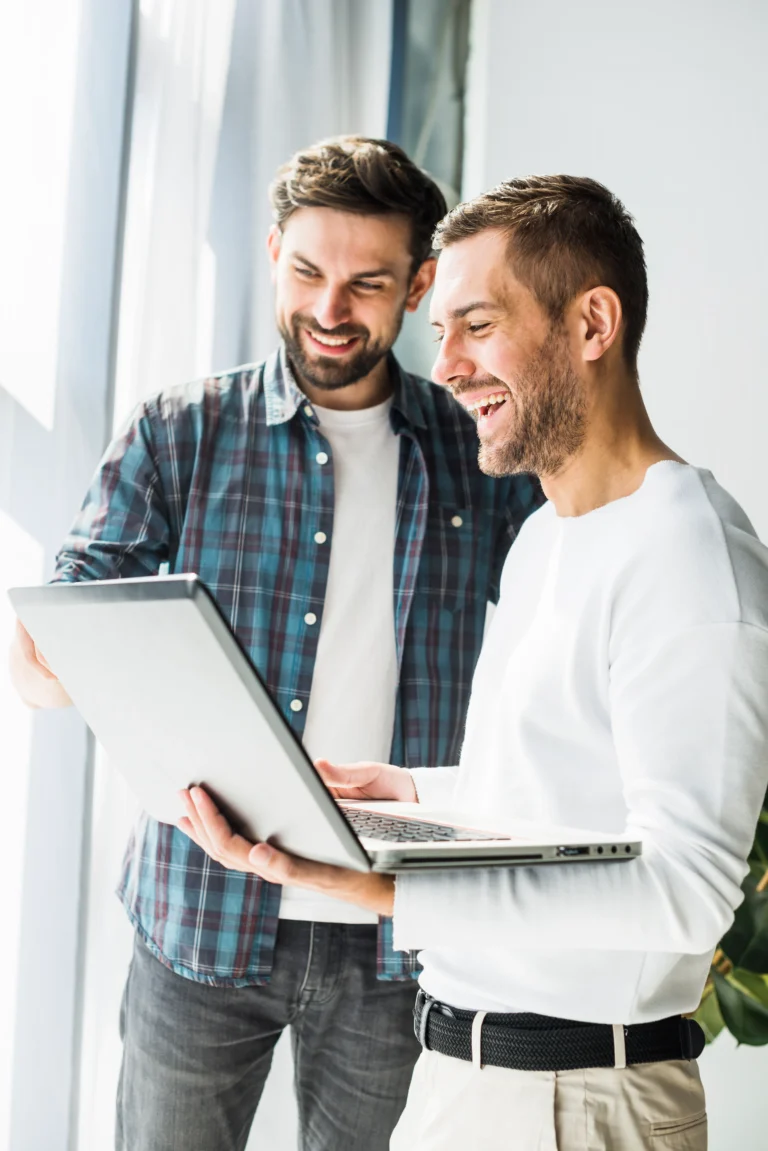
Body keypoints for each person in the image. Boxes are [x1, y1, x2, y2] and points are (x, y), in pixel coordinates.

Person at [177, 174, 768, 1150]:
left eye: (477, 325)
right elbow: (566, 791)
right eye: (439, 328)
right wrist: (409, 789)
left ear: (592, 323)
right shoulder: (546, 536)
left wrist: (389, 888)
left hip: (579, 1103)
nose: (442, 365)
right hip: (464, 1080)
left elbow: (686, 889)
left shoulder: (691, 554)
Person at [8, 137, 542, 1151]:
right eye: (306, 272)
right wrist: (54, 658)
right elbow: (52, 638)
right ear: (270, 254)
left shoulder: (480, 456)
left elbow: (563, 633)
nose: (330, 308)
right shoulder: (180, 430)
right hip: (200, 916)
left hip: (396, 943)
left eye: (367, 283)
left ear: (420, 283)